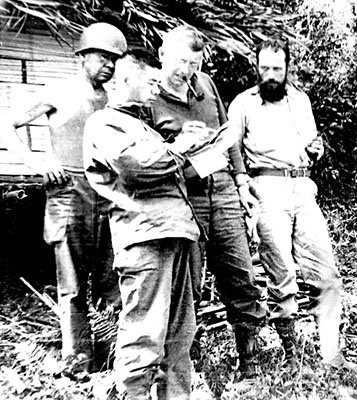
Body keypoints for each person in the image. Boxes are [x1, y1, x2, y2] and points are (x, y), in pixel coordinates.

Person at [0, 22, 126, 374]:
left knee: (110, 277)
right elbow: (7, 125)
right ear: (83, 56)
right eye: (103, 57)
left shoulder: (115, 100)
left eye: (115, 60)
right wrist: (39, 161)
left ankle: (112, 354)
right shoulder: (57, 90)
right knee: (71, 282)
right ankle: (78, 361)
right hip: (68, 191)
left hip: (108, 192)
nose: (109, 65)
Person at [83, 49, 206, 400]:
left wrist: (197, 146)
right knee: (144, 333)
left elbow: (164, 166)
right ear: (123, 80)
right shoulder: (105, 123)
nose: (155, 90)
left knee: (179, 334)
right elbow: (135, 166)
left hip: (175, 233)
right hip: (144, 238)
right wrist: (181, 146)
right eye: (150, 82)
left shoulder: (141, 126)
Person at [227, 37, 356, 370]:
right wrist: (243, 185)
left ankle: (331, 353)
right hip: (266, 189)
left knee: (325, 272)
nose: (271, 74)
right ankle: (291, 354)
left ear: (287, 68)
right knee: (281, 274)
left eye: (277, 68)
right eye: (265, 68)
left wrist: (317, 148)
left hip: (302, 188)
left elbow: (311, 141)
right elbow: (231, 149)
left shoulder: (300, 100)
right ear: (256, 67)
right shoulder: (243, 103)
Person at [148, 26, 268, 379]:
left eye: (195, 63)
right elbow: (149, 159)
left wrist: (242, 181)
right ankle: (189, 364)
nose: (187, 71)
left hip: (225, 192)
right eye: (181, 62)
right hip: (186, 199)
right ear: (162, 55)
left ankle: (249, 360)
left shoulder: (207, 85)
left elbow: (229, 136)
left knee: (240, 275)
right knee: (189, 285)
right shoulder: (148, 100)